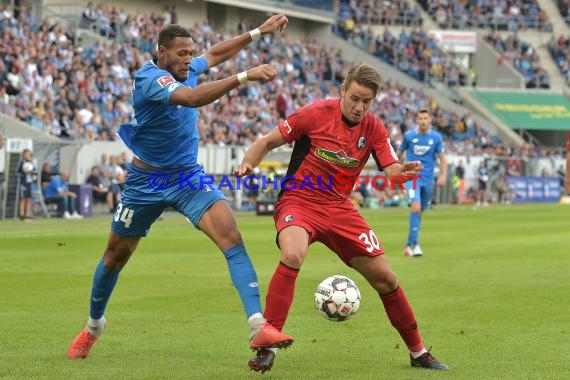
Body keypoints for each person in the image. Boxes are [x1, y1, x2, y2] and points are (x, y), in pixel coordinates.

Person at [67, 17, 294, 360]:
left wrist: (259, 32)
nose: (190, 59)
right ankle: (93, 327)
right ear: (162, 53)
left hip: (187, 178)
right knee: (116, 255)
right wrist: (244, 76)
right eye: (182, 54)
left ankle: (258, 325)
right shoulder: (150, 78)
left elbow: (215, 53)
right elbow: (189, 99)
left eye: (190, 53)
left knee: (231, 236)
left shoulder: (186, 67)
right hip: (146, 182)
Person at [235, 64, 448, 373]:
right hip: (299, 201)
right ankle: (266, 347)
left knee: (386, 279)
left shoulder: (374, 128)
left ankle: (418, 353)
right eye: (355, 99)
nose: (360, 107)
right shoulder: (314, 113)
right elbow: (266, 141)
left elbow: (392, 169)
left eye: (367, 102)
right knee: (293, 253)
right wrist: (249, 163)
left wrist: (403, 173)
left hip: (339, 209)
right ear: (343, 91)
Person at [397, 108, 447, 257]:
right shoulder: (409, 136)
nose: (423, 121)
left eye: (426, 118)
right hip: (412, 178)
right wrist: (396, 173)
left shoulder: (436, 137)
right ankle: (416, 245)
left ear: (430, 120)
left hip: (428, 179)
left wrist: (443, 175)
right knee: (416, 208)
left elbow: (442, 158)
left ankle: (409, 245)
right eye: (420, 118)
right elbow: (396, 156)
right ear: (416, 120)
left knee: (420, 212)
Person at [17, 148, 36, 221]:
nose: (29, 155)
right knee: (23, 199)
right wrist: (23, 173)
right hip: (23, 183)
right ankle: (22, 215)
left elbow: (34, 170)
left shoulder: (31, 163)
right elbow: (18, 172)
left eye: (30, 154)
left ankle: (28, 214)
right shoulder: (22, 163)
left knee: (29, 199)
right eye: (28, 154)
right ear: (24, 154)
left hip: (29, 183)